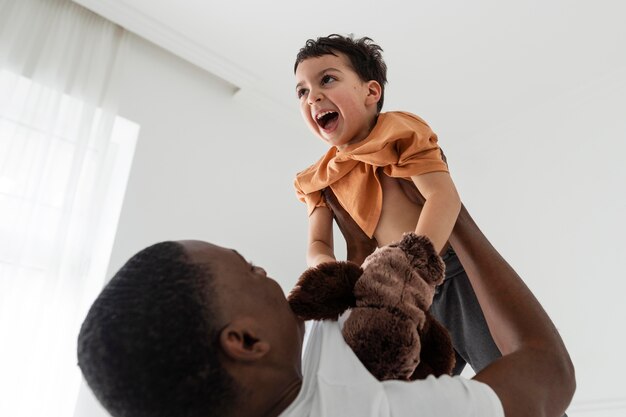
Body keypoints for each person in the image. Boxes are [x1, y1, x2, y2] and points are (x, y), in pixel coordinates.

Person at [77, 203, 575, 417]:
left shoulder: (287, 377)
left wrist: (359, 243)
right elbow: (549, 378)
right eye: (250, 269)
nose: (266, 273)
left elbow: (358, 335)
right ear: (246, 341)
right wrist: (455, 216)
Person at [293, 34, 499, 375]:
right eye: (301, 91)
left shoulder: (399, 132)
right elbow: (317, 243)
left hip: (447, 272)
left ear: (371, 92)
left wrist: (414, 264)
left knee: (499, 367)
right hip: (389, 290)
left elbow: (442, 196)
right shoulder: (317, 177)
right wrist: (330, 270)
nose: (312, 96)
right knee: (411, 389)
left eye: (326, 79)